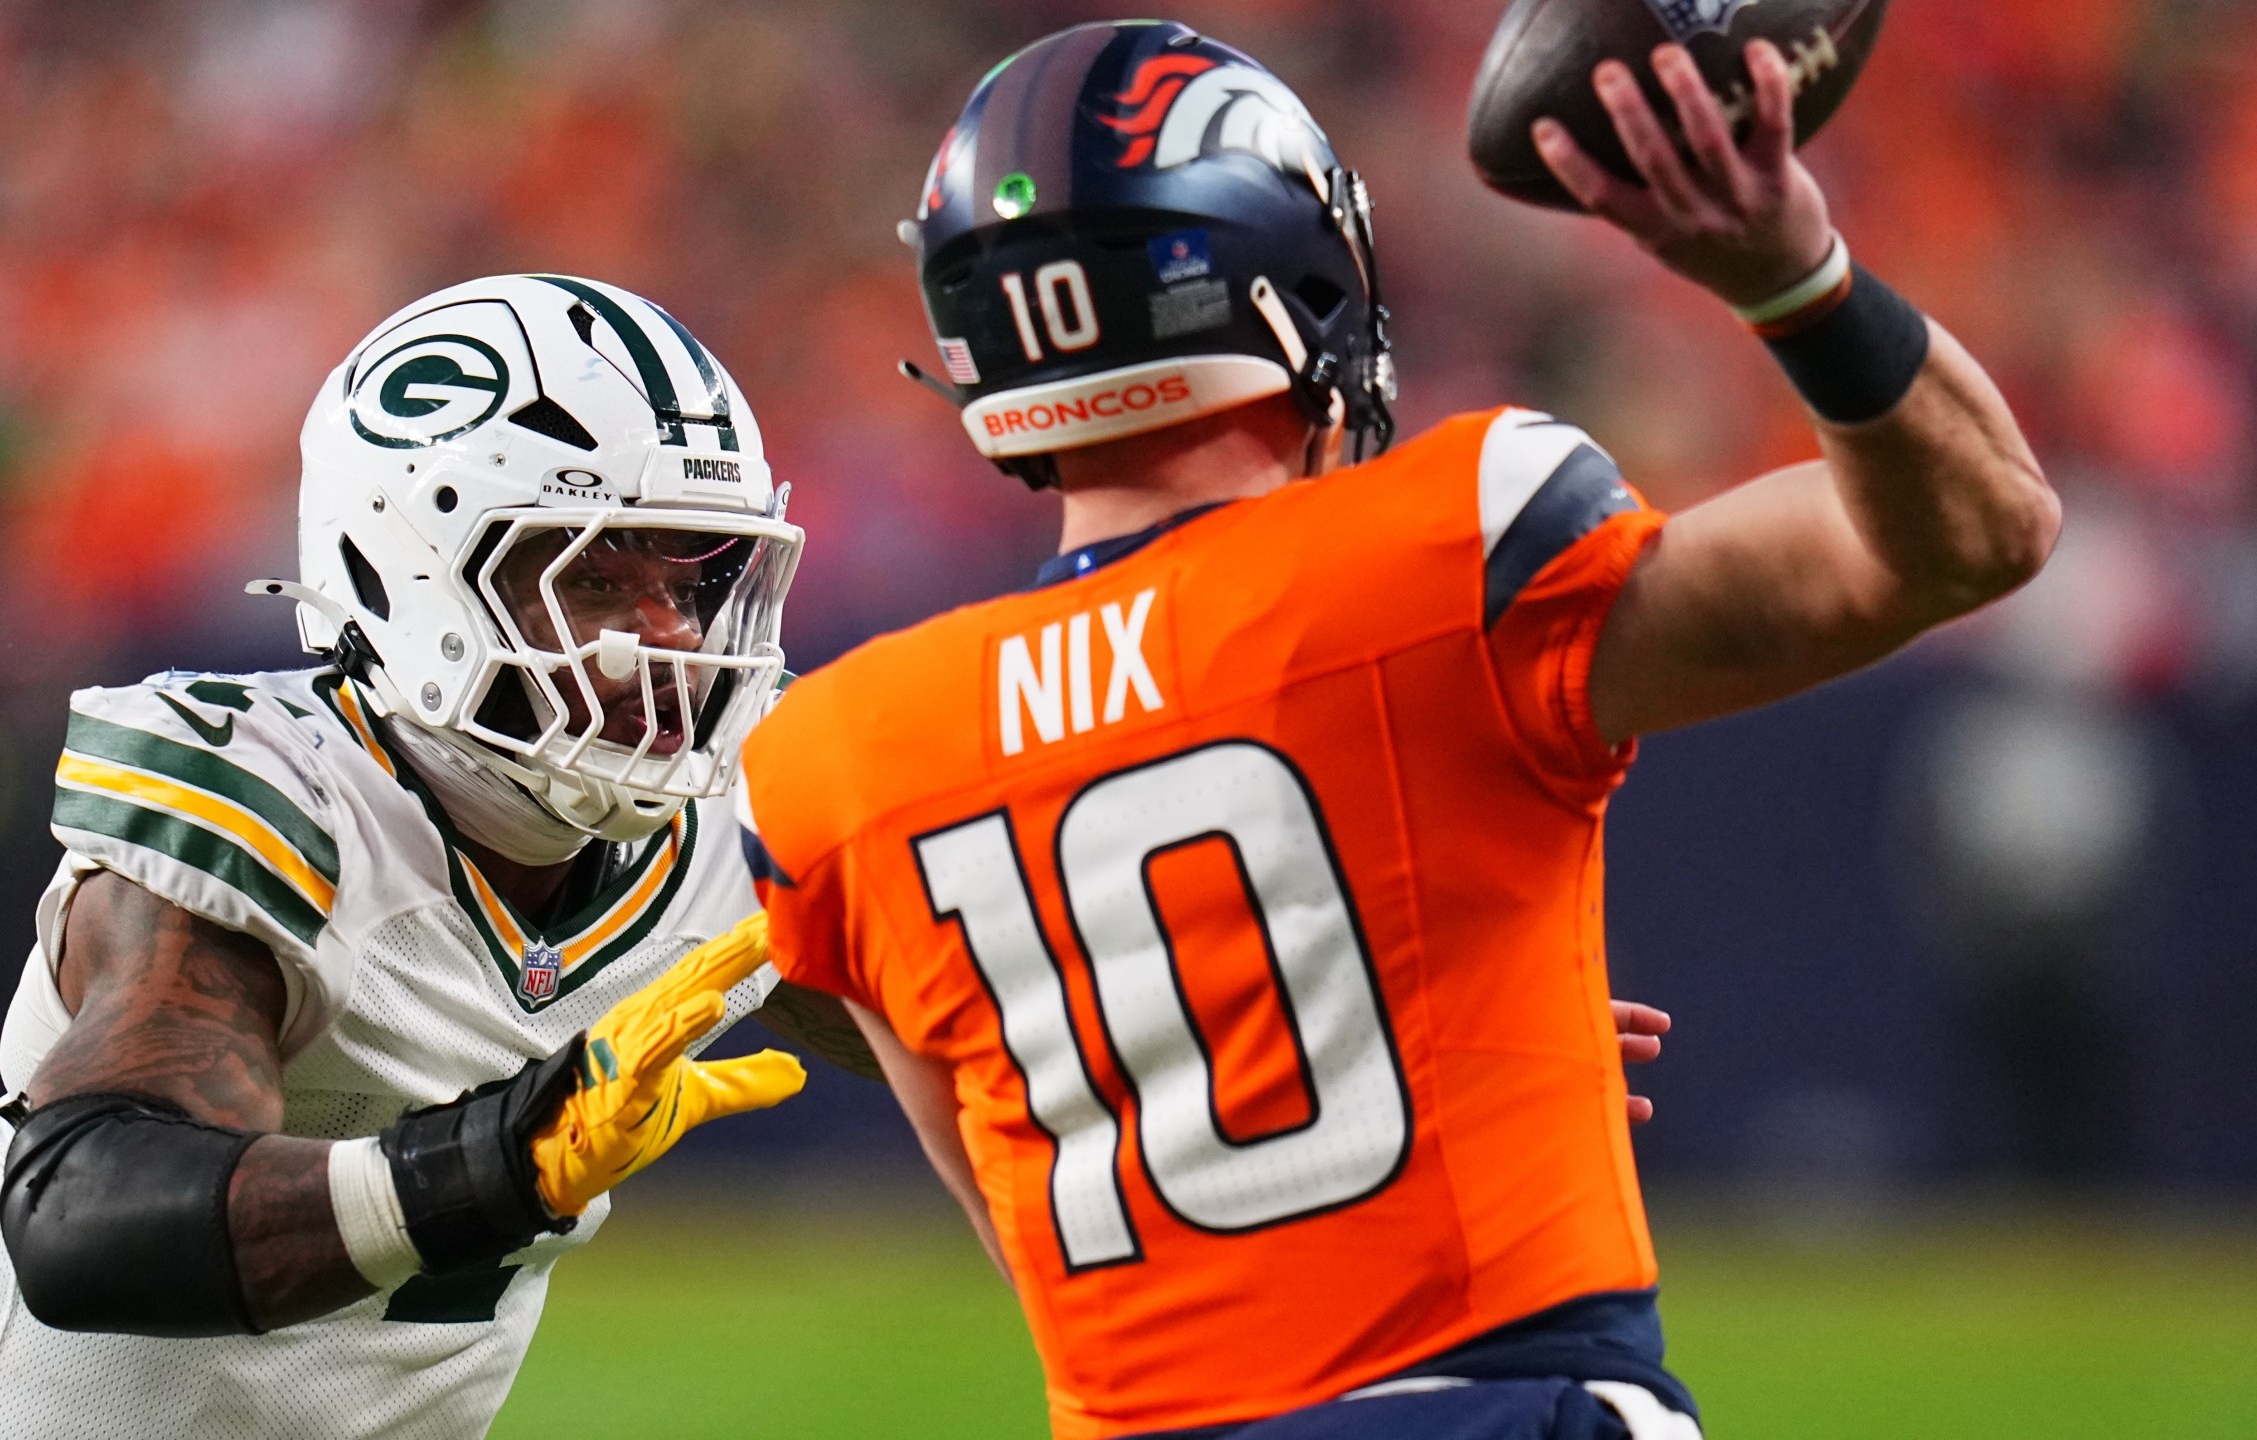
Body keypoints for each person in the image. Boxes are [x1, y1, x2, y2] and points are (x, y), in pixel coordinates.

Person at [736, 20, 2056, 1440]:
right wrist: (1796, 280)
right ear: (1286, 276)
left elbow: (1022, 1163)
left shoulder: (838, 760)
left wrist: (1360, 1019)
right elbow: (1975, 534)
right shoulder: (1448, 546)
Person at [0, 274, 862, 1440]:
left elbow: (1004, 1036)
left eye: (691, 580)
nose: (668, 638)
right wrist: (488, 1169)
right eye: (596, 580)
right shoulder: (281, 790)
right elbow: (83, 1219)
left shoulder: (738, 816)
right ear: (408, 572)